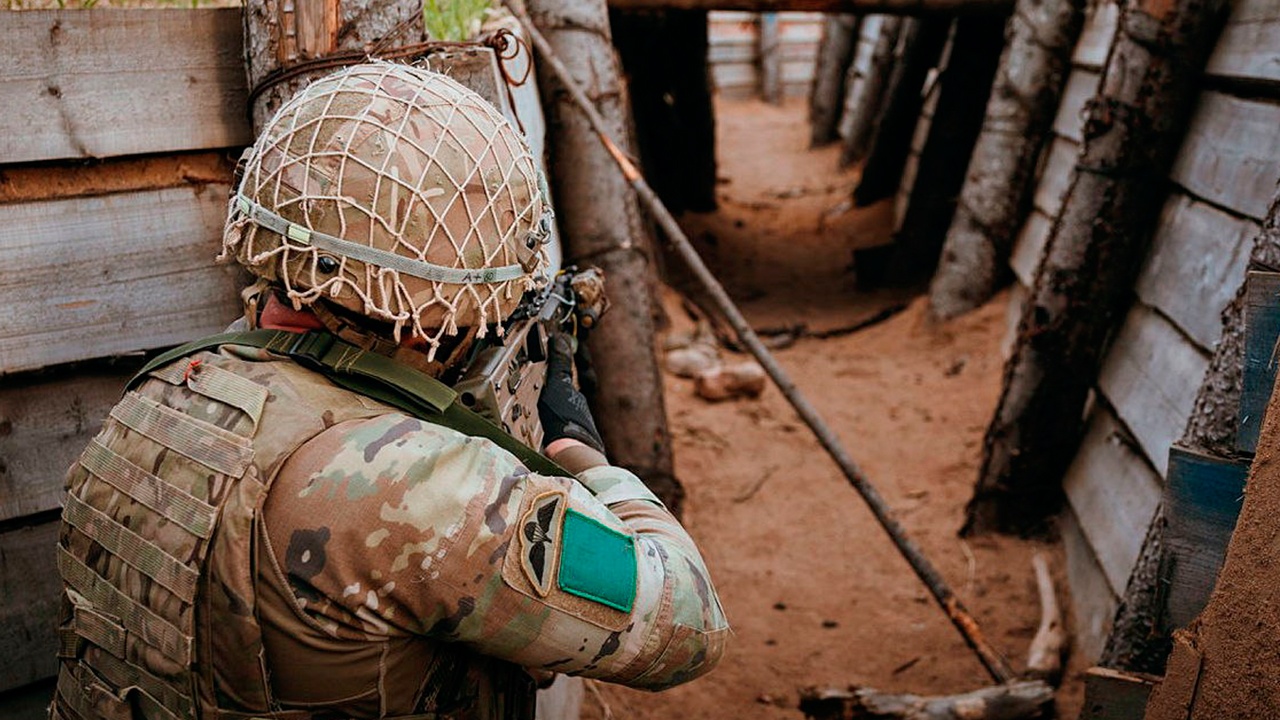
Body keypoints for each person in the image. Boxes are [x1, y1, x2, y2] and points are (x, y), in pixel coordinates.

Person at [52, 62, 727, 720]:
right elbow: (690, 626)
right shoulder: (416, 482)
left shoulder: (164, 392)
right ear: (440, 314)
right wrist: (584, 458)